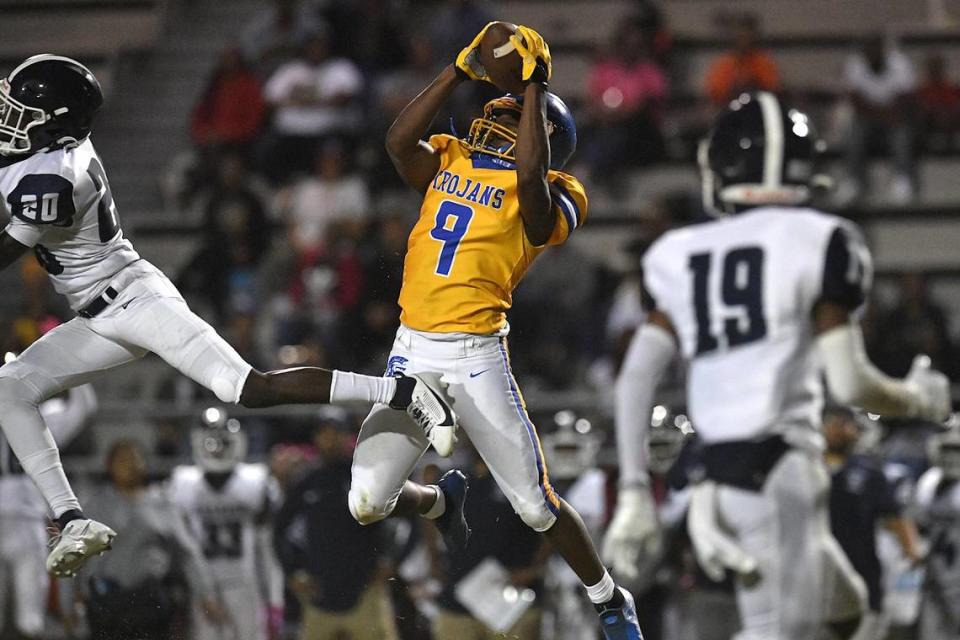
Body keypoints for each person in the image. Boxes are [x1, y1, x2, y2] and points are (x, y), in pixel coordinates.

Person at [0, 54, 455, 577]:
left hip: (134, 300)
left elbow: (6, 253)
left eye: (19, 109)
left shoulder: (57, 176)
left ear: (52, 121)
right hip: (96, 313)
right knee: (11, 388)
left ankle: (403, 391)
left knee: (247, 388)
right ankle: (72, 519)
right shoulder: (43, 152)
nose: (8, 118)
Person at [603, 91, 952, 640]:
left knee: (849, 610)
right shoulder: (822, 239)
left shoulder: (677, 251)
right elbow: (849, 380)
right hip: (778, 470)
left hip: (718, 472)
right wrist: (917, 398)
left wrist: (630, 490)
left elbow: (634, 379)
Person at [345, 24, 644, 639]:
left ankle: (610, 597)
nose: (492, 122)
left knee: (534, 504)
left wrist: (534, 86)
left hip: (476, 355)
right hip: (412, 350)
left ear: (542, 133)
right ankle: (439, 500)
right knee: (367, 502)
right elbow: (398, 140)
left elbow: (531, 181)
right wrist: (459, 70)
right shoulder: (451, 157)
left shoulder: (559, 190)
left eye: (510, 118)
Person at [65, 440, 221, 640]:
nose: (130, 465)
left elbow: (188, 553)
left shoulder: (163, 504)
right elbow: (72, 556)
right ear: (109, 465)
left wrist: (206, 594)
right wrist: (67, 604)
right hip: (106, 602)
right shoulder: (93, 506)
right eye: (123, 460)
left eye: (135, 459)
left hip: (150, 600)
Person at [273, 408, 400, 640]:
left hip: (366, 589)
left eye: (336, 433)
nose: (330, 440)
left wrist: (388, 559)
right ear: (316, 437)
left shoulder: (365, 475)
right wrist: (292, 571)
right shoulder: (306, 480)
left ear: (347, 436)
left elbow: (392, 522)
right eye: (324, 433)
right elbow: (280, 529)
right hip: (320, 592)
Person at [169, 408, 283, 640]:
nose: (217, 447)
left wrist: (274, 600)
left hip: (245, 584)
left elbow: (267, 548)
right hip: (202, 586)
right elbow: (182, 548)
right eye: (212, 442)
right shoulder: (183, 484)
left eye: (222, 441)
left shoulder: (256, 482)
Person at [0, 383, 96, 639]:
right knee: (30, 620)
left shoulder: (43, 416)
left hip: (27, 521)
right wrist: (73, 365)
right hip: (26, 522)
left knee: (30, 621)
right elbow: (83, 406)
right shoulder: (42, 418)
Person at [824, 406, 922, 640]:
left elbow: (894, 515)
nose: (837, 429)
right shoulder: (804, 465)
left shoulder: (867, 471)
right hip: (817, 570)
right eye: (831, 422)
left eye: (843, 423)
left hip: (860, 567)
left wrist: (910, 549)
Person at [430, 454, 547, 640]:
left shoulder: (524, 474)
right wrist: (434, 561)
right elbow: (430, 516)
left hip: (512, 595)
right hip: (459, 591)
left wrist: (535, 568)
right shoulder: (453, 476)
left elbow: (554, 520)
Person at [839, 34, 917, 205]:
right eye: (869, 52)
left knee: (902, 134)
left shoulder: (900, 64)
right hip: (868, 118)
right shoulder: (855, 65)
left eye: (876, 51)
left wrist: (886, 114)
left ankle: (902, 180)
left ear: (883, 52)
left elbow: (905, 100)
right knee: (854, 133)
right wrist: (880, 114)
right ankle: (853, 181)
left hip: (894, 118)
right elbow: (856, 102)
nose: (872, 55)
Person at [915, 426, 960, 640]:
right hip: (936, 565)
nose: (952, 457)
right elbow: (919, 521)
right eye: (948, 450)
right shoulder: (930, 481)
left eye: (957, 450)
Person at [704, 13, 779, 106]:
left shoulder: (764, 64)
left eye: (747, 36)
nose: (744, 40)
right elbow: (715, 94)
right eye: (740, 36)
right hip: (729, 112)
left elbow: (772, 91)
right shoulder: (723, 66)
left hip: (757, 111)